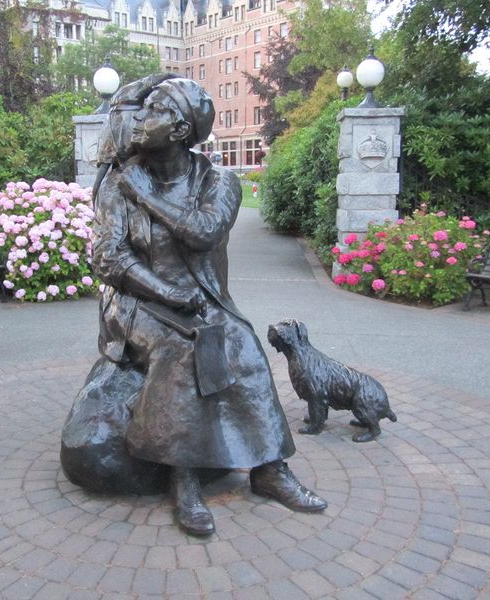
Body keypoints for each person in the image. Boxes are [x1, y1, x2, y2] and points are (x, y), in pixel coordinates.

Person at [75, 78, 327, 537]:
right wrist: (166, 294)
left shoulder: (219, 181)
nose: (139, 120)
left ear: (177, 130)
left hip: (205, 302)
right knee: (184, 348)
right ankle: (184, 479)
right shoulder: (117, 180)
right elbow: (110, 259)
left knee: (244, 346)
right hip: (136, 302)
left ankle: (270, 470)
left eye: (152, 112)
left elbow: (205, 232)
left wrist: (146, 197)